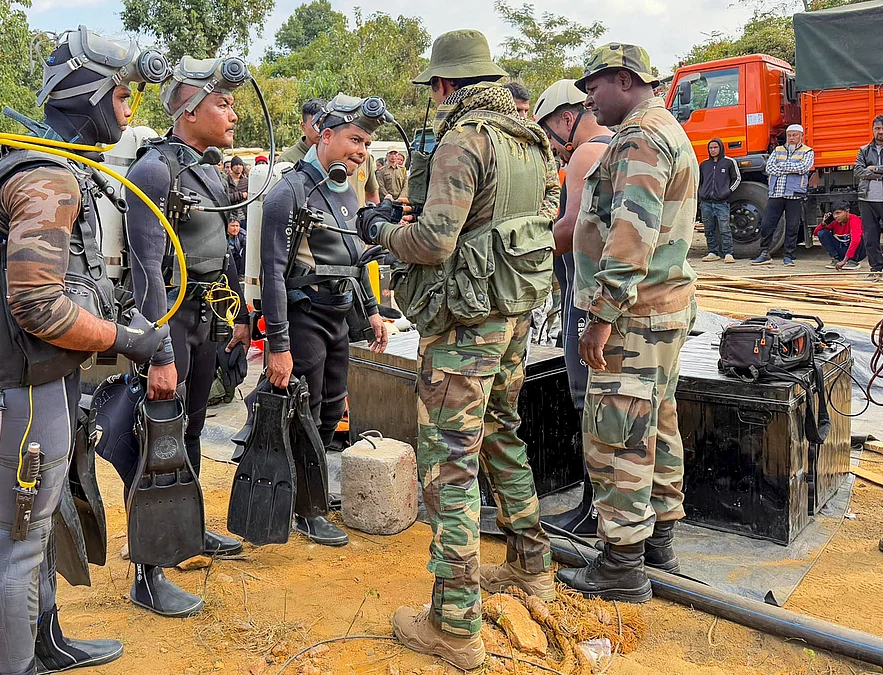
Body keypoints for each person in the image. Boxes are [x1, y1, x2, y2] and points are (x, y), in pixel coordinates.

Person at [0, 29, 172, 675]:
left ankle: (46, 643)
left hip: (34, 377)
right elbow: (38, 306)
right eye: (123, 93)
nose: (129, 108)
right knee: (20, 534)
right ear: (91, 95)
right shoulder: (47, 176)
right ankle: (17, 667)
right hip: (28, 381)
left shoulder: (43, 167)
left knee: (38, 525)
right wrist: (133, 341)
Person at [357, 29, 560, 670]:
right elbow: (538, 220)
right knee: (502, 431)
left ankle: (453, 624)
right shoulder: (533, 141)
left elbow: (437, 242)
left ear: (446, 86)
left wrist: (383, 231)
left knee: (450, 461)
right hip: (514, 314)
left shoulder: (464, 141)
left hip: (467, 325)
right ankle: (532, 566)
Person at [558, 43, 698, 603]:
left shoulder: (641, 137)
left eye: (594, 87)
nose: (588, 98)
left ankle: (621, 563)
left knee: (617, 435)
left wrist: (601, 317)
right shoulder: (663, 129)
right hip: (661, 309)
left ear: (623, 80)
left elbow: (630, 234)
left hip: (635, 315)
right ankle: (658, 540)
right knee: (657, 424)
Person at [124, 55, 253, 616]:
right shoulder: (155, 170)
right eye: (222, 103)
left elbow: (221, 252)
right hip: (169, 317)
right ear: (188, 108)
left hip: (205, 314)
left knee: (194, 427)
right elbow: (146, 268)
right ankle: (146, 572)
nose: (233, 113)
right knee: (158, 440)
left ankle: (191, 531)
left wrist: (239, 314)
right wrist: (159, 353)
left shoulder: (207, 167)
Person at [259, 93, 391, 544]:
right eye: (355, 139)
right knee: (307, 410)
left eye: (367, 144)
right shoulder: (288, 191)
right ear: (325, 134)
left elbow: (354, 257)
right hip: (304, 316)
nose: (361, 151)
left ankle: (311, 493)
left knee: (333, 408)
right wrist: (277, 346)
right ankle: (305, 509)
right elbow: (272, 273)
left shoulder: (345, 189)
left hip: (339, 316)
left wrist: (372, 312)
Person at [531, 78, 614, 534]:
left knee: (587, 400)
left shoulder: (586, 152)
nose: (552, 145)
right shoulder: (620, 144)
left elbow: (571, 231)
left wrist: (518, 246)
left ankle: (591, 510)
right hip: (610, 295)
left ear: (567, 119)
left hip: (585, 296)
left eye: (549, 132)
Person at [751, 124, 813, 266]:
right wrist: (792, 168)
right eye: (789, 135)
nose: (791, 138)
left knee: (792, 226)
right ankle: (764, 253)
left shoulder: (807, 151)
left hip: (795, 194)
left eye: (795, 135)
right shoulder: (778, 150)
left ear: (801, 136)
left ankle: (789, 256)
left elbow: (803, 167)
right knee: (767, 224)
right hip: (776, 194)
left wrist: (782, 166)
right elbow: (769, 167)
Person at [854, 114, 883, 279]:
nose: (881, 131)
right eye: (877, 128)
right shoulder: (864, 150)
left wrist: (873, 169)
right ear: (872, 129)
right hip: (868, 199)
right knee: (870, 236)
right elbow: (858, 171)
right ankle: (875, 270)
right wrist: (882, 173)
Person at [698, 138, 741, 263]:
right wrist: (701, 193)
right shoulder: (704, 164)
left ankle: (728, 253)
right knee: (708, 229)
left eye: (715, 147)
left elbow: (737, 179)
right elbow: (700, 181)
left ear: (720, 148)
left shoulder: (729, 162)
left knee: (725, 229)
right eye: (710, 148)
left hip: (721, 203)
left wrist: (727, 192)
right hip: (706, 203)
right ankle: (713, 252)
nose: (713, 150)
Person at [814, 200, 864, 270]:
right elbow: (816, 233)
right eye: (834, 214)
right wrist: (823, 223)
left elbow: (856, 240)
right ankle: (836, 259)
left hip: (857, 252)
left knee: (859, 237)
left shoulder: (854, 219)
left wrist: (844, 260)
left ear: (847, 211)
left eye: (838, 213)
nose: (835, 216)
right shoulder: (835, 222)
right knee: (822, 233)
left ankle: (853, 261)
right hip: (843, 249)